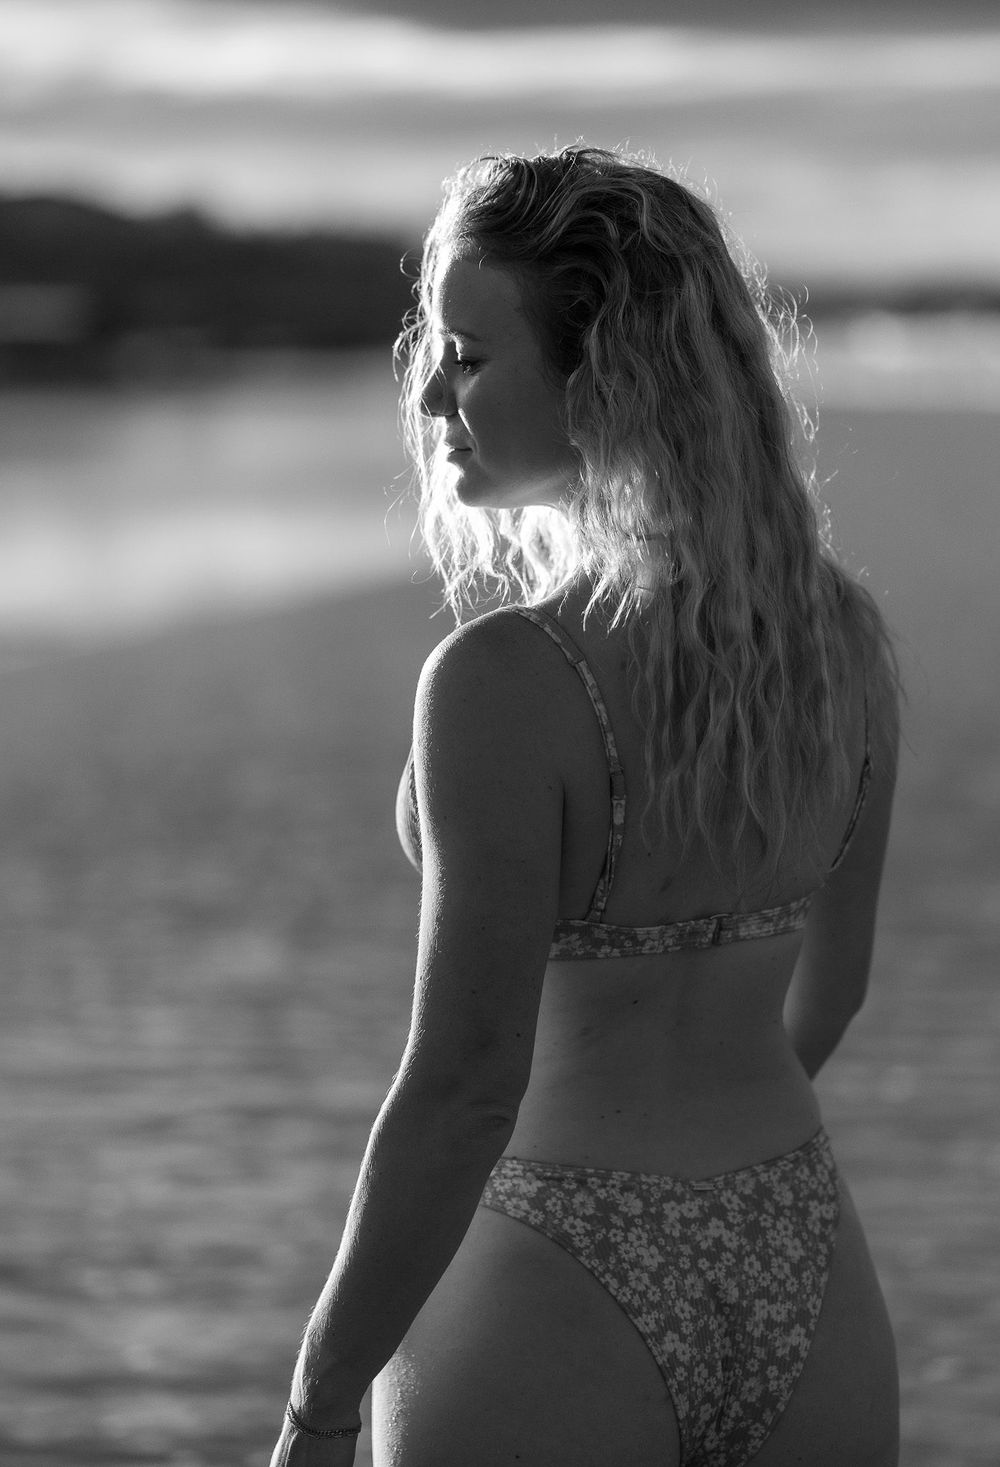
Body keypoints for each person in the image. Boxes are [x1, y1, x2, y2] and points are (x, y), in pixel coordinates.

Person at [270, 145, 900, 1467]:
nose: (430, 393)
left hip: (553, 1266)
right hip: (794, 1247)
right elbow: (827, 995)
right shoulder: (839, 638)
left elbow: (463, 1089)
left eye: (466, 353)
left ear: (601, 381)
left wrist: (318, 1401)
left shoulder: (507, 680)